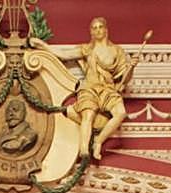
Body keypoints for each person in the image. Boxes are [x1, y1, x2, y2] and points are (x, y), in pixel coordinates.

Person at [31, 17, 135, 159]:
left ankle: (98, 141)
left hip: (108, 89)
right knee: (88, 114)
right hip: (90, 88)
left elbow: (125, 78)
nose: (97, 30)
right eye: (94, 28)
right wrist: (43, 45)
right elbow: (64, 54)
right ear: (91, 32)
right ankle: (84, 149)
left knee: (121, 113)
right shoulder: (86, 49)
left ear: (106, 30)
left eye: (100, 27)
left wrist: (131, 67)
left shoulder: (117, 51)